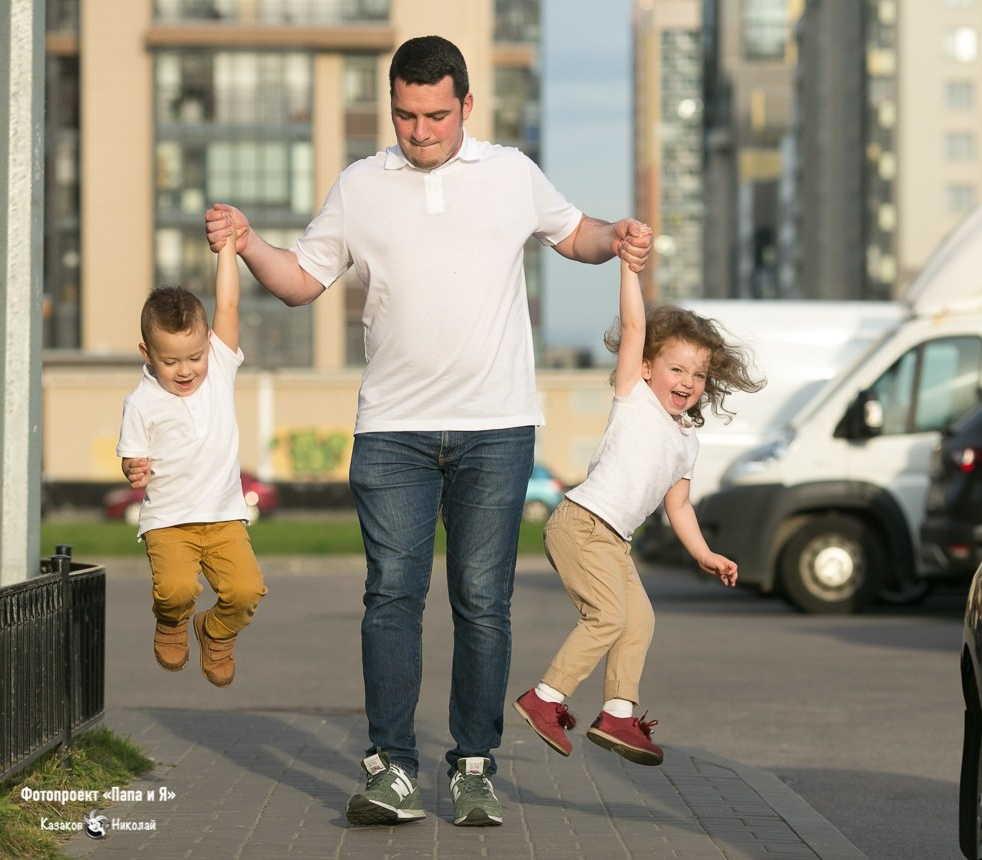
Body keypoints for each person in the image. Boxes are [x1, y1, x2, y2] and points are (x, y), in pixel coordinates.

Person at [203, 35, 652, 827]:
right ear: (392, 108)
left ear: (467, 106)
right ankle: (393, 771)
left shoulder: (510, 172)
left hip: (498, 427)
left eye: (437, 115)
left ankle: (473, 765)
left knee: (483, 600)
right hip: (394, 432)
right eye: (407, 116)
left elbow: (573, 232)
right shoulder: (360, 185)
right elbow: (302, 282)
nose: (421, 131)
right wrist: (248, 242)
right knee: (392, 599)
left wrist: (616, 235)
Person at [512, 252, 764, 767]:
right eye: (676, 369)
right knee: (607, 617)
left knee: (640, 619)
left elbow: (680, 507)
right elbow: (634, 324)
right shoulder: (634, 398)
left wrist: (704, 554)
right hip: (582, 524)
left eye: (698, 375)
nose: (688, 382)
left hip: (612, 539)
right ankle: (545, 698)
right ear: (648, 368)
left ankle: (619, 714)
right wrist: (628, 266)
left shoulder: (686, 440)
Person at [116, 217, 267, 689]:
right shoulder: (141, 401)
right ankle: (173, 621)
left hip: (223, 516)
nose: (186, 370)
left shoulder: (219, 367)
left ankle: (214, 633)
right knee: (177, 590)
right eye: (170, 361)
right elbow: (131, 459)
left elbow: (228, 302)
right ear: (147, 353)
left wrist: (227, 249)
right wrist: (133, 468)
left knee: (245, 592)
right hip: (169, 521)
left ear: (208, 347)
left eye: (194, 357)